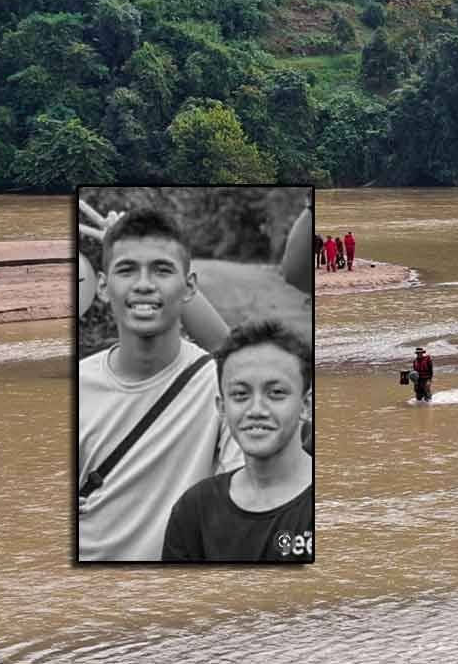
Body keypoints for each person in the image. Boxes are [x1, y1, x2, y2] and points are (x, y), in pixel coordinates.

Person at [78, 208, 243, 562]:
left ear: (191, 287)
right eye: (126, 270)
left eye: (161, 270)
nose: (143, 284)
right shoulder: (77, 389)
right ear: (103, 287)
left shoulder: (219, 386)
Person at [162, 320, 314, 562]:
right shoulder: (195, 509)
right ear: (222, 407)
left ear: (306, 405)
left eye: (276, 393)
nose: (256, 409)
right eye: (240, 395)